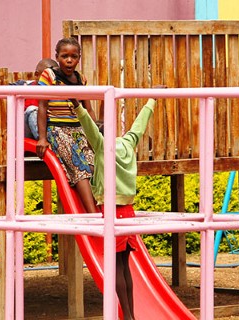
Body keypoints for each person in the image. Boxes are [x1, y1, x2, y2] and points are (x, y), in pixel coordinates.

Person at [71, 87, 164, 320]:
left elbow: (88, 127)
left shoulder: (102, 146)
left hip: (111, 211)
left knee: (115, 267)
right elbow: (139, 125)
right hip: (128, 211)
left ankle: (128, 317)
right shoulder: (128, 142)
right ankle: (130, 314)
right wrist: (152, 98)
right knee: (125, 265)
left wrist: (77, 105)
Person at [36, 37, 97, 214]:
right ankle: (93, 214)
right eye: (64, 56)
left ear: (79, 58)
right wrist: (42, 138)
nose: (69, 60)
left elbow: (88, 109)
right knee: (79, 166)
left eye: (73, 56)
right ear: (57, 57)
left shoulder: (81, 79)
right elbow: (42, 106)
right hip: (57, 129)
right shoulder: (50, 75)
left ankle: (100, 207)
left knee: (94, 164)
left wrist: (94, 136)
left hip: (79, 129)